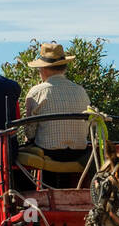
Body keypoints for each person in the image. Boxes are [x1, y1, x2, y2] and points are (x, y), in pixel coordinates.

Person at [23, 42, 91, 186]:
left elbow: (29, 132)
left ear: (43, 69)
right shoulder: (81, 91)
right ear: (64, 67)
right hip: (79, 153)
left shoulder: (37, 92)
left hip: (49, 153)